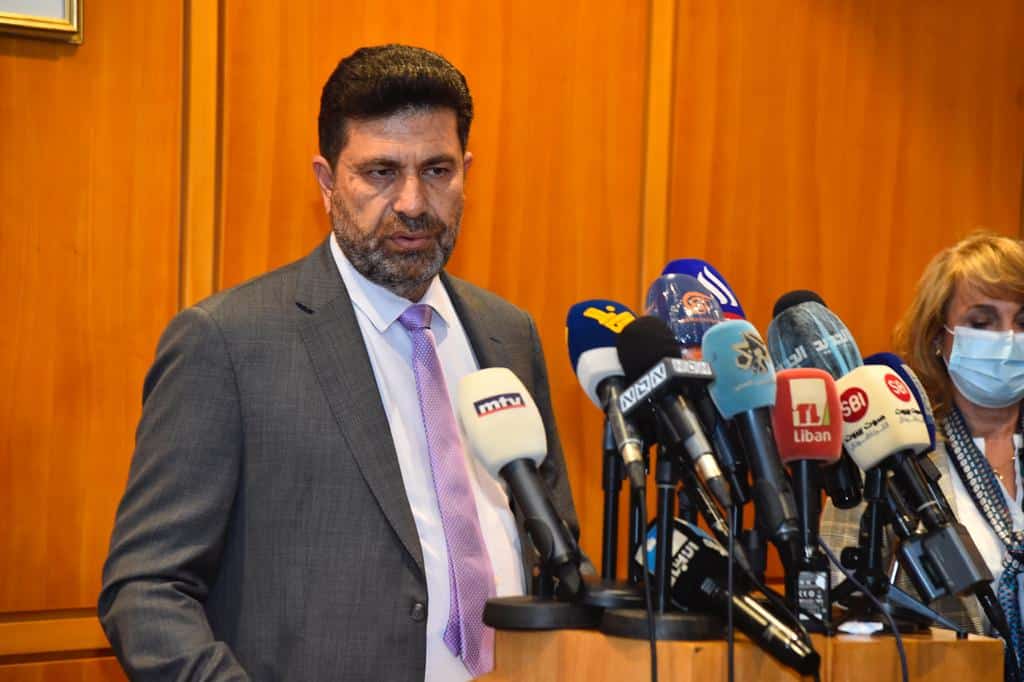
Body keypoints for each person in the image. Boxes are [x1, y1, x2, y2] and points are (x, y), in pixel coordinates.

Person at [98, 44, 579, 681]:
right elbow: (146, 589)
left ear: (466, 171)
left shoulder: (507, 333)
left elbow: (553, 542)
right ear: (327, 181)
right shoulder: (227, 343)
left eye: (436, 170)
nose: (413, 202)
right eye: (381, 172)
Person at [821, 232, 1024, 650]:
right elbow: (836, 609)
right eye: (982, 322)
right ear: (937, 337)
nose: (1008, 338)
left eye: (1023, 321)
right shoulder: (884, 448)